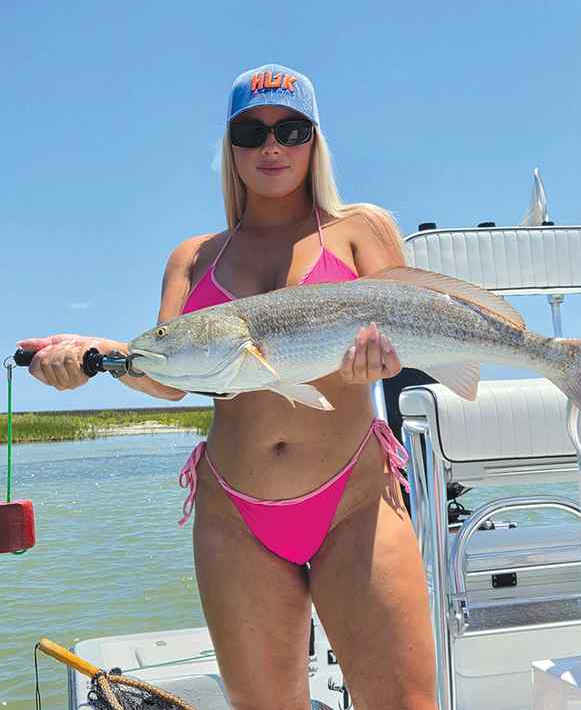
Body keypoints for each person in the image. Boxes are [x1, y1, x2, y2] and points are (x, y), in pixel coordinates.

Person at [18, 63, 437, 710]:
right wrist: (89, 357)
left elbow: (412, 327)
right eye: (252, 131)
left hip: (355, 498)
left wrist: (384, 362)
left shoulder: (362, 228)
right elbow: (163, 374)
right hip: (235, 516)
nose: (272, 146)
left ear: (315, 141)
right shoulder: (193, 258)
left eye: (291, 129)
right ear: (230, 146)